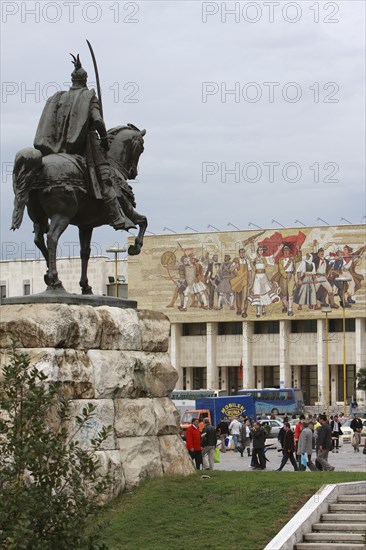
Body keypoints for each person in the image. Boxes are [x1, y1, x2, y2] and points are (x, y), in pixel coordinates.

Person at [33, 54, 135, 231]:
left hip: (59, 146)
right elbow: (98, 122)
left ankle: (38, 222)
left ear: (72, 80)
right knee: (106, 178)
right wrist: (104, 139)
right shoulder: (88, 96)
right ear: (85, 80)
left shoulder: (59, 97)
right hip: (86, 145)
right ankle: (117, 217)